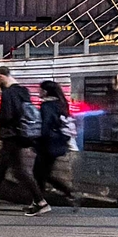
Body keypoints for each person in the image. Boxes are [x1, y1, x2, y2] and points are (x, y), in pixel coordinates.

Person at [0, 65, 45, 214]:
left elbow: (7, 117)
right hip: (20, 135)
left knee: (18, 171)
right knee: (1, 170)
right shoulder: (23, 91)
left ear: (1, 76)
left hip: (11, 136)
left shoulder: (9, 94)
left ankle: (40, 201)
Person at [35, 78, 77, 206]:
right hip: (57, 143)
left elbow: (46, 125)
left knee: (39, 173)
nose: (38, 91)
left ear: (46, 92)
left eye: (40, 89)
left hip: (47, 143)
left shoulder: (47, 106)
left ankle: (40, 201)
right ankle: (39, 201)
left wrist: (39, 139)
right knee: (42, 173)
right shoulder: (61, 104)